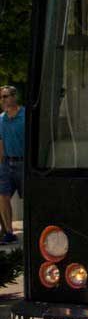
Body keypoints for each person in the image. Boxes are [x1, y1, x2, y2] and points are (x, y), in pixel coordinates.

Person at [0, 87, 23, 244]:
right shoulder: (1, 119)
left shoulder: (25, 115)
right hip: (6, 163)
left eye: (5, 96)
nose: (2, 100)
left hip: (24, 163)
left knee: (30, 198)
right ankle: (9, 232)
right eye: (1, 97)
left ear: (15, 97)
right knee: (3, 196)